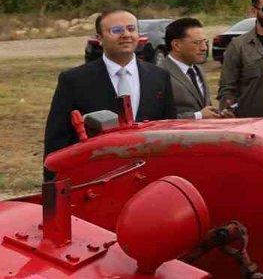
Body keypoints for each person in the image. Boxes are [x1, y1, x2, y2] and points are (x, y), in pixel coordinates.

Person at [43, 9, 176, 178]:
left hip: (149, 177)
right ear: (99, 38)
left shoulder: (159, 77)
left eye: (131, 29)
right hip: (95, 180)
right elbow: (56, 139)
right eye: (117, 30)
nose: (126, 35)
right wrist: (52, 187)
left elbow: (169, 130)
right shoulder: (74, 80)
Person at [160, 17, 224, 119]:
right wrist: (198, 116)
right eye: (197, 43)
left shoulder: (198, 70)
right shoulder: (159, 75)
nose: (204, 48)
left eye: (205, 42)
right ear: (176, 45)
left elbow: (205, 108)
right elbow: (158, 119)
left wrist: (219, 115)